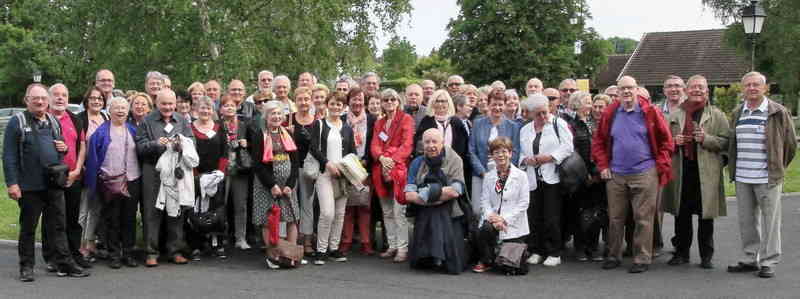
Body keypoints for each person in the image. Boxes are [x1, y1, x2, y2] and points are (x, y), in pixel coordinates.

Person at [4, 83, 90, 281]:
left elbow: (60, 149)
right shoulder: (17, 122)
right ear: (27, 100)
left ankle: (65, 264)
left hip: (53, 184)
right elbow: (8, 156)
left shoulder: (52, 121)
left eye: (43, 98)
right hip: (29, 186)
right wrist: (12, 183)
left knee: (58, 226)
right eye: (36, 98)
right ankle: (26, 267)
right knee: (28, 228)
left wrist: (64, 149)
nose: (40, 102)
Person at [592, 76, 674, 274]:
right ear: (617, 92)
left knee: (643, 218)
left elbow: (666, 142)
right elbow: (599, 141)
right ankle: (613, 255)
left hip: (645, 172)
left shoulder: (651, 112)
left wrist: (659, 166)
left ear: (637, 90)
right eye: (623, 89)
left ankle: (642, 258)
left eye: (630, 88)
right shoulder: (611, 113)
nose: (627, 91)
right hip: (616, 174)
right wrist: (603, 165)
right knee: (615, 218)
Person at [727, 71, 797, 278]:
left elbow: (790, 145)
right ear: (742, 89)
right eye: (747, 85)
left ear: (765, 88)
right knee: (747, 222)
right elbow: (732, 143)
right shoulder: (738, 112)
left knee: (771, 222)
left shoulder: (778, 112)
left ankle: (769, 261)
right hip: (742, 177)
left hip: (768, 177)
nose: (752, 88)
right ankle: (750, 258)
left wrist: (777, 167)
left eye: (756, 84)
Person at [660, 75, 729, 270]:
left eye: (701, 87)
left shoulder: (717, 115)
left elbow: (726, 142)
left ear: (707, 91)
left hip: (706, 172)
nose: (697, 90)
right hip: (682, 171)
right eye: (693, 87)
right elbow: (663, 143)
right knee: (681, 215)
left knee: (706, 216)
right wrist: (675, 142)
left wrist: (706, 139)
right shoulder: (674, 115)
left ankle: (706, 256)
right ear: (686, 90)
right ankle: (681, 253)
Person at [136, 89, 196, 267]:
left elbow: (192, 141)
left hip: (175, 171)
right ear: (156, 103)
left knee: (175, 211)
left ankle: (175, 250)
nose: (168, 107)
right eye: (164, 104)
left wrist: (181, 144)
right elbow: (139, 147)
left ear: (175, 104)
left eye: (171, 104)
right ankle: (151, 252)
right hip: (152, 170)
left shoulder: (182, 121)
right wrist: (155, 144)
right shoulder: (146, 121)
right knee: (151, 211)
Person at [84, 97, 140, 269]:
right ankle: (114, 254)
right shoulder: (100, 133)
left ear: (128, 111)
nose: (120, 111)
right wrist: (94, 184)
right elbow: (93, 160)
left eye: (124, 108)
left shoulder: (133, 130)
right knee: (112, 219)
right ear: (109, 110)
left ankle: (128, 252)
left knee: (129, 218)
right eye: (117, 108)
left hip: (132, 180)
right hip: (109, 182)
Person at [518, 95, 573, 267]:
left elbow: (568, 147)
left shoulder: (558, 123)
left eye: (545, 112)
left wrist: (549, 157)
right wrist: (525, 160)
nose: (542, 117)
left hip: (552, 177)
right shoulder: (525, 130)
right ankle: (536, 250)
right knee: (534, 216)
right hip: (532, 178)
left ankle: (554, 251)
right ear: (531, 114)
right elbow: (521, 152)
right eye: (538, 114)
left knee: (551, 216)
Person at [405, 129, 470, 274]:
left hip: (451, 209)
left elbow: (455, 191)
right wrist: (433, 199)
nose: (431, 145)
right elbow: (408, 195)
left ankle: (436, 256)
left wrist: (428, 193)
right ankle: (432, 256)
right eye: (427, 142)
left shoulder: (455, 159)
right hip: (424, 208)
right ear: (422, 144)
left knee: (437, 209)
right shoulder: (416, 162)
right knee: (434, 210)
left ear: (442, 142)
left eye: (434, 142)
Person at [246, 100, 300, 269]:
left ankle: (291, 255)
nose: (276, 117)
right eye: (272, 114)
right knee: (268, 220)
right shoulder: (259, 135)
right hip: (266, 185)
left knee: (291, 218)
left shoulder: (288, 133)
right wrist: (272, 185)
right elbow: (257, 164)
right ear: (266, 116)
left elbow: (295, 162)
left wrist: (290, 184)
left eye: (278, 113)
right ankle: (273, 256)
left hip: (287, 185)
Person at [40, 84, 89, 270]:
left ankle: (73, 253)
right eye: (56, 95)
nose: (60, 98)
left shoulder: (75, 119)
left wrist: (76, 170)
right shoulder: (42, 119)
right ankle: (52, 257)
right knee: (51, 219)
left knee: (72, 218)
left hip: (72, 176)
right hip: (50, 177)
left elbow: (82, 146)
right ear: (49, 98)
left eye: (64, 95)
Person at [307, 92, 357, 265]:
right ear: (327, 105)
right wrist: (327, 163)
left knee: (340, 214)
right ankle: (321, 250)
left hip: (342, 176)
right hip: (324, 174)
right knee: (327, 213)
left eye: (339, 104)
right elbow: (313, 148)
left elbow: (352, 152)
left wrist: (347, 168)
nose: (336, 107)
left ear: (344, 107)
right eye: (333, 103)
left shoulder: (347, 128)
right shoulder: (319, 124)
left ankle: (334, 248)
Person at [472, 137, 530, 273]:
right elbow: (485, 201)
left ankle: (501, 258)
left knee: (509, 264)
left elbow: (524, 203)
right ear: (492, 156)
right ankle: (486, 260)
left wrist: (503, 219)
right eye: (496, 152)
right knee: (485, 229)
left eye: (504, 151)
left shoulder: (521, 176)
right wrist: (492, 217)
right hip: (494, 220)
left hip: (513, 223)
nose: (500, 155)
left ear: (510, 153)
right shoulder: (489, 177)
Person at [370, 88, 415, 263]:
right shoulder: (379, 123)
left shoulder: (406, 119)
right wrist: (382, 158)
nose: (389, 102)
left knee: (399, 211)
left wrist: (391, 160)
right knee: (387, 211)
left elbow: (407, 144)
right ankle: (393, 245)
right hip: (381, 170)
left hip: (399, 170)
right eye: (386, 100)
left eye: (392, 99)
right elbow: (375, 145)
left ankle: (403, 248)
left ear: (398, 101)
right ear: (381, 103)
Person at [185, 96, 228, 260]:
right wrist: (196, 175)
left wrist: (220, 173)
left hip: (216, 176)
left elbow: (225, 151)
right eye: (202, 107)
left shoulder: (219, 127)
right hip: (195, 176)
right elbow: (187, 153)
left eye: (208, 108)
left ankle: (217, 244)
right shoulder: (189, 128)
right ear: (196, 109)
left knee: (217, 210)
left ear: (213, 110)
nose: (205, 111)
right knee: (196, 210)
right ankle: (196, 245)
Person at [563, 91, 604, 262]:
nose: (591, 105)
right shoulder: (569, 123)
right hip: (578, 175)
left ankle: (593, 247)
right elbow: (571, 150)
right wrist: (584, 174)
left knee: (596, 212)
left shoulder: (592, 122)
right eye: (587, 102)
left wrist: (596, 172)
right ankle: (580, 247)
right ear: (577, 104)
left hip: (595, 174)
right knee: (579, 212)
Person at [468, 91, 520, 215]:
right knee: (477, 209)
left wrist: (504, 172)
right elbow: (471, 151)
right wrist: (482, 172)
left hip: (504, 174)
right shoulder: (477, 124)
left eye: (500, 104)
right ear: (488, 105)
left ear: (505, 105)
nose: (497, 108)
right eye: (494, 104)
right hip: (481, 173)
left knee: (500, 208)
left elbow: (515, 151)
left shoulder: (513, 126)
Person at [340, 87, 377, 256]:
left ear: (365, 102)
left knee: (364, 206)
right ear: (348, 101)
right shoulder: (342, 120)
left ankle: (366, 242)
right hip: (346, 168)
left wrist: (365, 161)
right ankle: (346, 241)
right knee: (347, 207)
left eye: (360, 99)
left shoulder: (372, 120)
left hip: (365, 167)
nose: (357, 102)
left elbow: (374, 143)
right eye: (354, 99)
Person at [77, 86, 110, 262]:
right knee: (83, 210)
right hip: (85, 171)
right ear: (87, 101)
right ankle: (79, 245)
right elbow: (77, 146)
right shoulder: (80, 119)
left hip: (102, 172)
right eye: (93, 98)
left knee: (96, 210)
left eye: (100, 98)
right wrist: (80, 166)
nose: (96, 101)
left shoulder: (106, 117)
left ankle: (90, 242)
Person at [218, 95, 252, 250]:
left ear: (237, 107)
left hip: (240, 168)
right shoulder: (217, 125)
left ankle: (240, 238)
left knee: (240, 205)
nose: (229, 108)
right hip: (222, 169)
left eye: (232, 105)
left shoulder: (244, 125)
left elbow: (256, 144)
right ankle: (220, 237)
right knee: (221, 204)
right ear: (220, 109)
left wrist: (247, 144)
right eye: (226, 105)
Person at [290, 87, 319, 256]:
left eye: (306, 99)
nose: (303, 102)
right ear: (295, 101)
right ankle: (291, 241)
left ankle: (307, 241)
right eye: (300, 99)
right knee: (290, 204)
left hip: (309, 169)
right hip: (291, 167)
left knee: (307, 204)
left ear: (311, 101)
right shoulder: (288, 120)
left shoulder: (317, 122)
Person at [413, 90, 469, 163]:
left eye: (443, 101)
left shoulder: (456, 122)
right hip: (430, 162)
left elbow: (464, 146)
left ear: (448, 103)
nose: (440, 104)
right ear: (433, 103)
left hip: (453, 163)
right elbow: (419, 143)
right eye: (437, 101)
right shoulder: (426, 121)